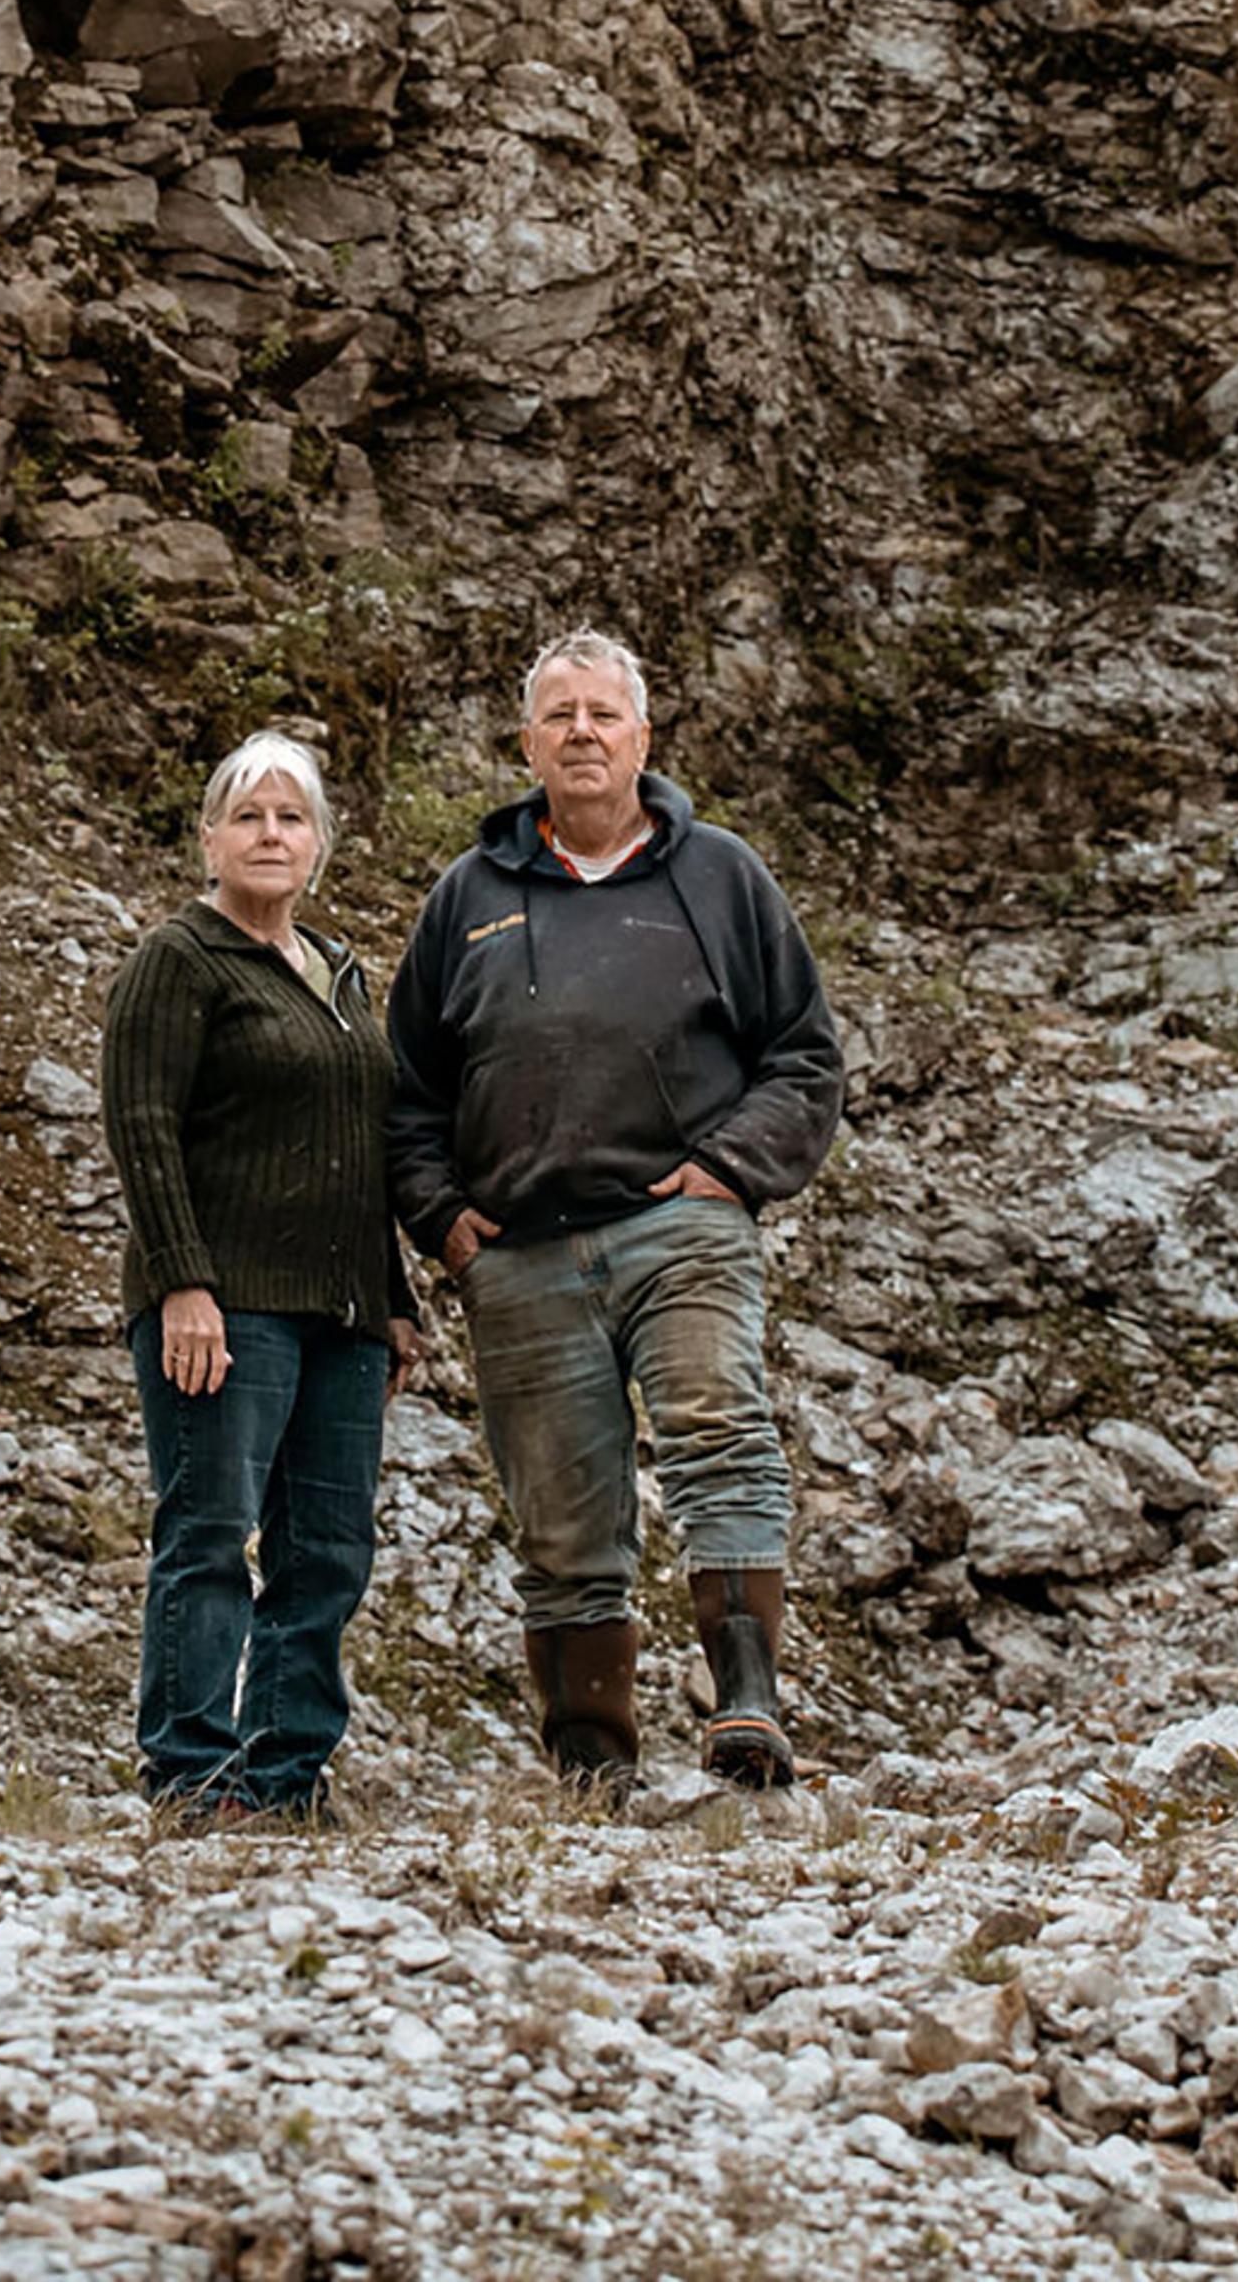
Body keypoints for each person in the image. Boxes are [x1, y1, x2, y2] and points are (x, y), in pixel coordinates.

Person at [385, 629, 844, 1794]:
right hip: (521, 1255)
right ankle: (592, 1771)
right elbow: (406, 1090)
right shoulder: (468, 897)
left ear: (643, 735)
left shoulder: (722, 877)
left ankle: (747, 1706)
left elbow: (802, 1055)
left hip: (678, 1223)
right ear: (527, 742)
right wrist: (445, 1220)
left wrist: (731, 1170)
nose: (581, 733)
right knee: (560, 1521)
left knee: (719, 1437)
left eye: (603, 713)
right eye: (559, 715)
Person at [102, 732, 420, 1830]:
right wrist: (184, 1282)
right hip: (223, 1305)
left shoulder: (338, 972)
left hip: (340, 1317)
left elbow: (361, 1146)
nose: (270, 835)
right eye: (248, 817)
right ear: (210, 839)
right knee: (209, 1533)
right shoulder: (178, 960)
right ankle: (191, 1778)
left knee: (326, 1550)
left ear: (321, 844)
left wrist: (392, 1298)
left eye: (291, 818)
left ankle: (282, 1783)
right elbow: (141, 1127)